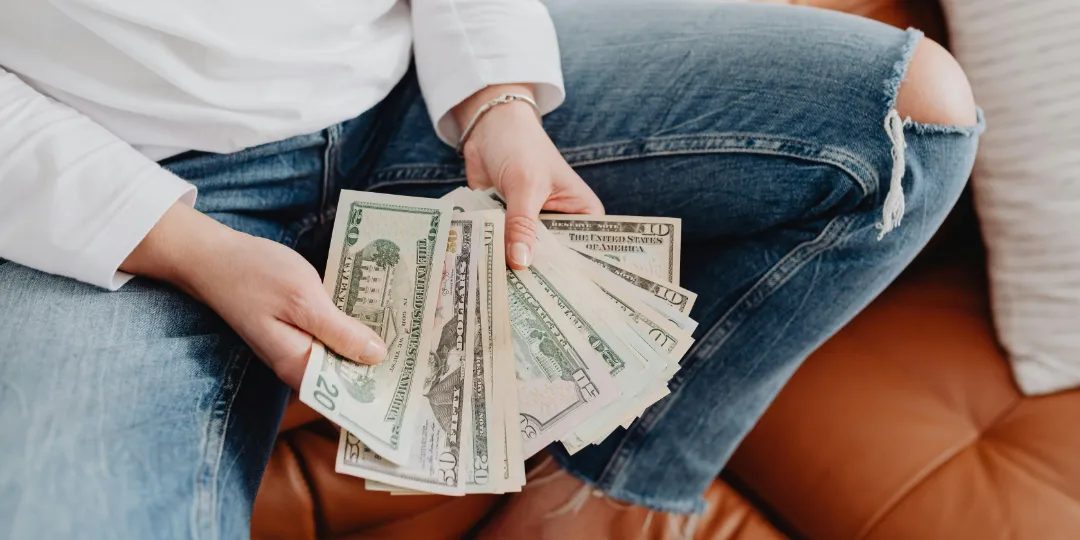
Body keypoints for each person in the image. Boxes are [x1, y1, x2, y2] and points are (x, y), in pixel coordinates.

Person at [0, 0, 981, 537]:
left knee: (912, 121)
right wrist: (187, 247)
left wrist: (500, 98)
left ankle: (596, 508)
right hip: (114, 186)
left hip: (410, 86)